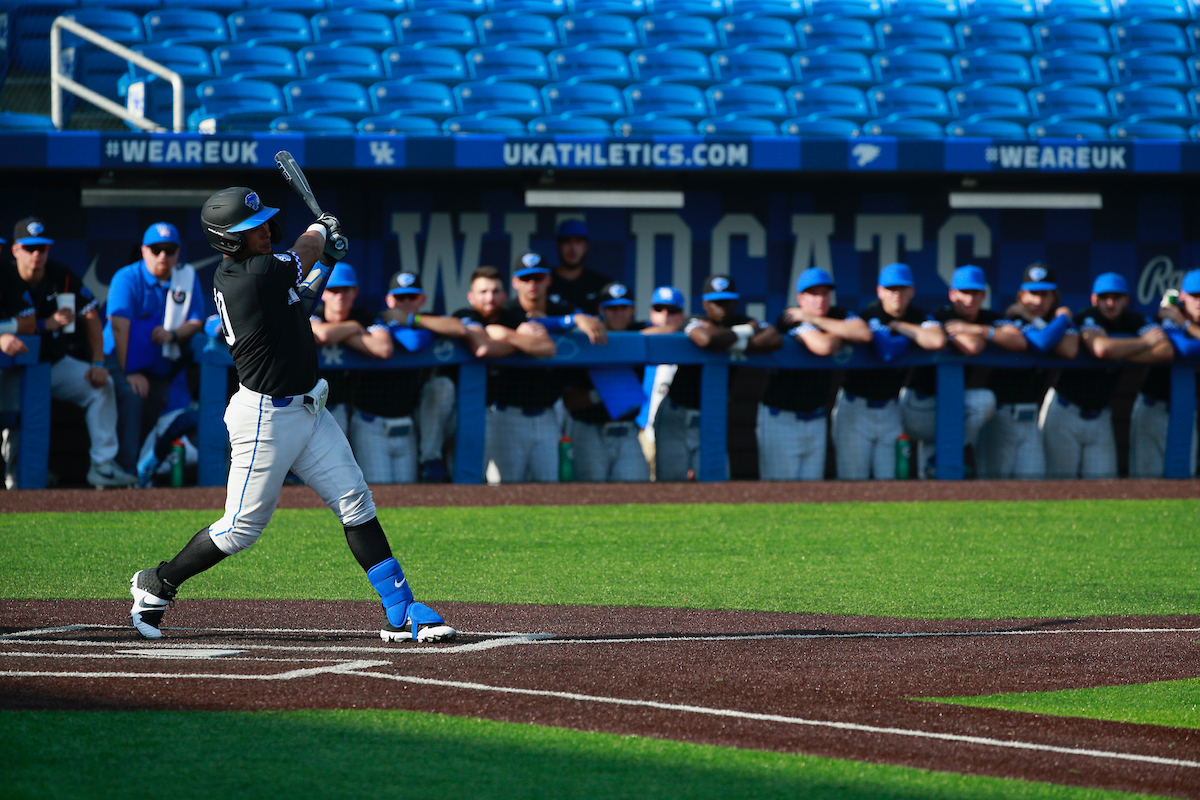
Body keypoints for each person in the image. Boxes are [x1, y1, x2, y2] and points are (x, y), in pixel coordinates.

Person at [128, 186, 455, 643]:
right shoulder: (250, 273)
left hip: (309, 409)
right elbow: (301, 252)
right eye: (250, 228)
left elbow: (300, 303)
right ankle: (157, 583)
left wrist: (328, 262)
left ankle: (402, 611)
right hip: (265, 417)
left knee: (356, 502)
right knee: (240, 529)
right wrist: (321, 231)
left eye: (262, 223)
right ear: (227, 239)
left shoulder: (263, 275)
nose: (263, 231)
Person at [4, 216, 135, 488]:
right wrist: (45, 324)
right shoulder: (4, 277)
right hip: (11, 370)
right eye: (30, 248)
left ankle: (103, 466)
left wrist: (98, 362)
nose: (37, 254)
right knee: (11, 422)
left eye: (42, 248)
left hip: (53, 365)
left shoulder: (60, 276)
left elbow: (91, 317)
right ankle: (13, 476)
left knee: (102, 386)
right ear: (16, 249)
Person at [480, 252, 607, 483]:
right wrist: (562, 322)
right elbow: (498, 327)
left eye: (538, 278)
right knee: (504, 490)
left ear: (548, 280)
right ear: (515, 282)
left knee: (551, 489)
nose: (532, 285)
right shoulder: (506, 310)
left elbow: (588, 319)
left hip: (547, 413)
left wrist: (579, 318)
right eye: (526, 278)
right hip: (507, 413)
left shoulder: (560, 307)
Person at [1041, 272, 1172, 479]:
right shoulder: (1087, 315)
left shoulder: (1134, 321)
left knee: (1105, 489)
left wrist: (1120, 352)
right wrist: (1143, 344)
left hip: (1100, 415)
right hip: (1065, 411)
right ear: (1094, 299)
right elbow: (1100, 348)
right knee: (1059, 486)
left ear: (1126, 300)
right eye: (1104, 297)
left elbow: (1166, 350)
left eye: (1116, 297)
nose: (1110, 303)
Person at [103, 222, 205, 480]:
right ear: (144, 250)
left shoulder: (185, 279)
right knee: (133, 397)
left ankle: (133, 470)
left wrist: (173, 335)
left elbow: (196, 321)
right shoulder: (127, 277)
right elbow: (118, 330)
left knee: (157, 402)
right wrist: (128, 373)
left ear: (178, 252)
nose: (163, 256)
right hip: (117, 359)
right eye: (156, 249)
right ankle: (125, 472)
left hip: (156, 367)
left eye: (169, 250)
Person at [657, 275, 781, 481]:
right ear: (705, 303)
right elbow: (706, 339)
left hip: (711, 416)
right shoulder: (693, 319)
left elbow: (775, 338)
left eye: (727, 301)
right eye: (716, 302)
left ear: (735, 301)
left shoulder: (742, 320)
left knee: (714, 485)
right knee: (670, 485)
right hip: (676, 415)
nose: (722, 307)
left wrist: (735, 343)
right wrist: (746, 332)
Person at [907, 264, 1024, 477]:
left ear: (983, 295)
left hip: (948, 406)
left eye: (975, 293)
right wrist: (986, 334)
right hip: (919, 405)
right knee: (984, 400)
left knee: (934, 479)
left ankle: (937, 462)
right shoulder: (942, 315)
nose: (970, 299)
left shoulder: (987, 318)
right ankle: (943, 456)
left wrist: (978, 329)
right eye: (964, 292)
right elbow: (972, 346)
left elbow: (1019, 341)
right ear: (952, 294)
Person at [833, 262, 946, 480]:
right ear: (880, 291)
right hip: (856, 408)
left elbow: (937, 340)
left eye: (902, 289)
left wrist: (900, 327)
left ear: (912, 291)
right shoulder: (871, 313)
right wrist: (911, 335)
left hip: (891, 409)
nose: (897, 295)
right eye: (890, 289)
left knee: (892, 485)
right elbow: (887, 352)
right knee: (852, 484)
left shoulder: (916, 315)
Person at [758, 268, 870, 480]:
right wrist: (842, 334)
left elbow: (863, 333)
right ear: (800, 298)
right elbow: (823, 346)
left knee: (813, 494)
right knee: (779, 494)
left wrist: (817, 321)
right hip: (781, 418)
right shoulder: (790, 316)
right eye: (813, 294)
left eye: (825, 293)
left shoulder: (835, 314)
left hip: (816, 417)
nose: (820, 299)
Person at [976, 263, 1079, 479]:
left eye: (1045, 294)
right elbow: (1041, 342)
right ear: (1022, 296)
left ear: (1054, 297)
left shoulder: (1054, 322)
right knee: (993, 490)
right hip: (1001, 415)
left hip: (1031, 418)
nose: (1038, 301)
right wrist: (1062, 318)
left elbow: (1070, 350)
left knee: (1034, 488)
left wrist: (1048, 320)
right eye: (1033, 294)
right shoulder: (1012, 319)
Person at [348, 271, 436, 484]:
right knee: (379, 495)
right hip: (371, 424)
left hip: (406, 424)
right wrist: (400, 324)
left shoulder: (425, 321)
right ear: (389, 300)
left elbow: (417, 340)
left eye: (411, 297)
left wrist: (410, 321)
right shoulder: (376, 321)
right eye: (400, 297)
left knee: (407, 499)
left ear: (422, 299)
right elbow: (412, 342)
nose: (405, 302)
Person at [562, 281, 651, 482]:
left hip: (627, 431)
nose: (618, 313)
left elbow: (669, 330)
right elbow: (569, 400)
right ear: (601, 310)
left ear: (633, 310)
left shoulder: (639, 330)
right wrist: (604, 393)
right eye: (612, 308)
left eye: (624, 307)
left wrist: (637, 338)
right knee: (590, 497)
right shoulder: (584, 339)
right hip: (589, 430)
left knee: (636, 493)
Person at [309, 262, 393, 435]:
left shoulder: (364, 315)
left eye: (345, 289)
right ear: (323, 293)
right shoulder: (313, 312)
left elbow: (383, 348)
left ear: (355, 292)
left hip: (353, 405)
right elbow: (323, 336)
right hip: (311, 405)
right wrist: (354, 327)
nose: (340, 296)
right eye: (334, 290)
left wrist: (340, 334)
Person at [1132, 269, 1200, 477]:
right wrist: (1179, 321)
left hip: (1187, 413)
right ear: (1182, 296)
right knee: (1146, 485)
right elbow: (1182, 349)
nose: (1199, 302)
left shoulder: (1177, 317)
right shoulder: (1167, 316)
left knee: (1183, 482)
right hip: (1153, 408)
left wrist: (1184, 322)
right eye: (1195, 296)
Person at [636, 285, 688, 478]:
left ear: (682, 314)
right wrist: (674, 329)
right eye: (659, 309)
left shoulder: (689, 341)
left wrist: (680, 331)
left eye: (673, 310)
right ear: (651, 312)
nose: (665, 315)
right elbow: (639, 335)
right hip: (641, 429)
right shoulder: (640, 336)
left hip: (675, 432)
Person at [548, 219, 611, 316]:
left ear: (586, 246)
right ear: (558, 246)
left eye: (578, 242)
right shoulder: (544, 282)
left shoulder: (600, 284)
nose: (572, 248)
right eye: (567, 242)